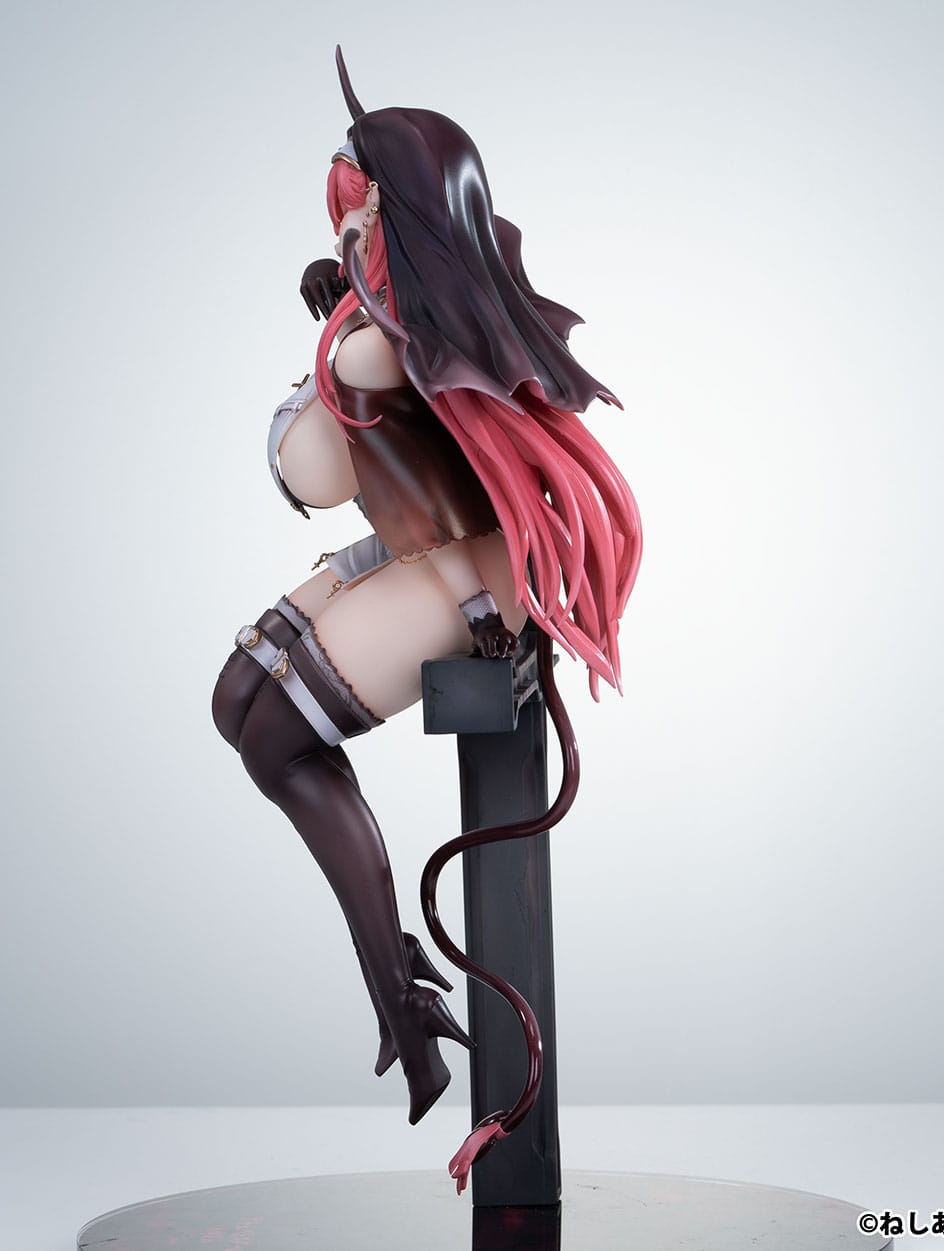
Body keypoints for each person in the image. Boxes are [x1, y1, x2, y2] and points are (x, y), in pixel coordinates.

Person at [212, 47, 641, 1191]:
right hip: (426, 546)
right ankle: (396, 973)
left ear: (387, 212)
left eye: (355, 209)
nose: (344, 228)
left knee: (277, 737)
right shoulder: (396, 316)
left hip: (471, 581)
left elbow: (314, 474)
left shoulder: (382, 337)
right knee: (237, 698)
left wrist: (338, 348)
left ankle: (397, 993)